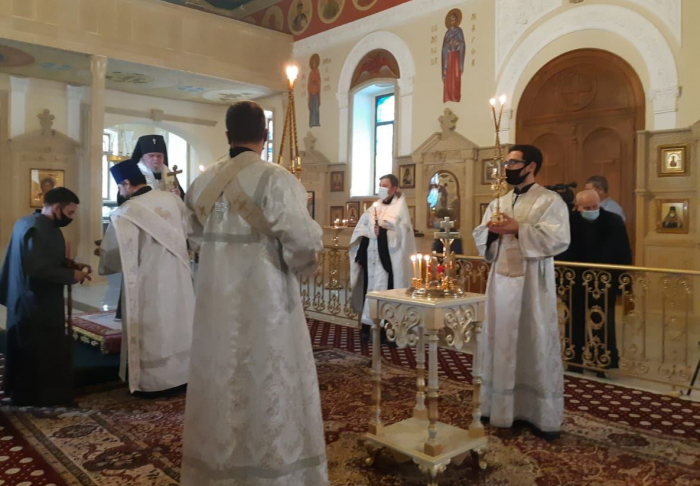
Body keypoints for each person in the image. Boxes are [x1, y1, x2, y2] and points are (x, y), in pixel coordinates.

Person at [181, 101, 328, 485]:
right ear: (265, 135)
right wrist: (302, 263)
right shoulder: (275, 178)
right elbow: (302, 240)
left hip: (215, 301)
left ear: (227, 136)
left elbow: (193, 235)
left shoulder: (202, 182)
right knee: (270, 373)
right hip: (267, 301)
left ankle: (217, 469)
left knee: (219, 376)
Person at [473, 144, 570, 440]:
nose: (508, 167)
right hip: (501, 284)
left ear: (530, 166)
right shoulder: (498, 201)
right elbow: (481, 235)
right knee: (499, 339)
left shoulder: (550, 200)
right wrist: (491, 231)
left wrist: (518, 229)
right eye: (507, 162)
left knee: (533, 339)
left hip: (532, 286)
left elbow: (559, 238)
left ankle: (536, 414)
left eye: (514, 162)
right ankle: (496, 406)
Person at [98, 159, 194, 396]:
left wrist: (101, 255)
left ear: (127, 183)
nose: (121, 192)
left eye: (120, 187)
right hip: (180, 275)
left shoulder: (126, 212)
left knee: (156, 325)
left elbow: (112, 253)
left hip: (150, 280)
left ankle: (155, 383)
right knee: (179, 320)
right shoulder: (173, 200)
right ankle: (184, 375)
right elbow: (192, 232)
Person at [0, 188, 91, 406]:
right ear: (57, 207)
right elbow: (37, 269)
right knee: (40, 351)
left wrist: (70, 265)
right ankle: (40, 398)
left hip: (27, 299)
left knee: (30, 349)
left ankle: (27, 393)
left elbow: (42, 260)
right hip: (36, 304)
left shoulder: (28, 222)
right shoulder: (37, 229)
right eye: (69, 213)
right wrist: (72, 274)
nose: (71, 218)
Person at [557, 190, 631, 374]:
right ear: (578, 207)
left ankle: (603, 361)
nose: (591, 210)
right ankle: (575, 360)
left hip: (605, 282)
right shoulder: (569, 222)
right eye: (587, 208)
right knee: (574, 320)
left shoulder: (613, 221)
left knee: (603, 322)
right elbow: (561, 252)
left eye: (594, 207)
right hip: (575, 281)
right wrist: (561, 283)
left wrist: (624, 282)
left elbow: (623, 251)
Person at [350, 174, 416, 342]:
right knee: (369, 290)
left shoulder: (400, 208)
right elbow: (362, 230)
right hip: (371, 258)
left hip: (387, 262)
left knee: (385, 291)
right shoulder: (373, 207)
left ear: (394, 189)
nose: (381, 188)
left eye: (384, 185)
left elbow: (401, 235)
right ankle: (368, 327)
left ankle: (387, 331)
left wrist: (384, 233)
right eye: (379, 184)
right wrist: (361, 254)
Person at [119, 134, 185, 204]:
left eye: (159, 156)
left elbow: (182, 197)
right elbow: (121, 200)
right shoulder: (133, 174)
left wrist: (179, 195)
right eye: (151, 155)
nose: (156, 159)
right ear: (143, 157)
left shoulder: (169, 174)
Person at [442, 9, 465, 103]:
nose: (453, 21)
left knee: (455, 76)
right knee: (448, 77)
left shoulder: (459, 31)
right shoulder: (447, 33)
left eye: (454, 19)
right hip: (448, 58)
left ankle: (455, 96)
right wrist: (448, 45)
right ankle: (447, 96)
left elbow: (462, 43)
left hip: (455, 57)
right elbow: (444, 46)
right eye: (451, 19)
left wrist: (457, 44)